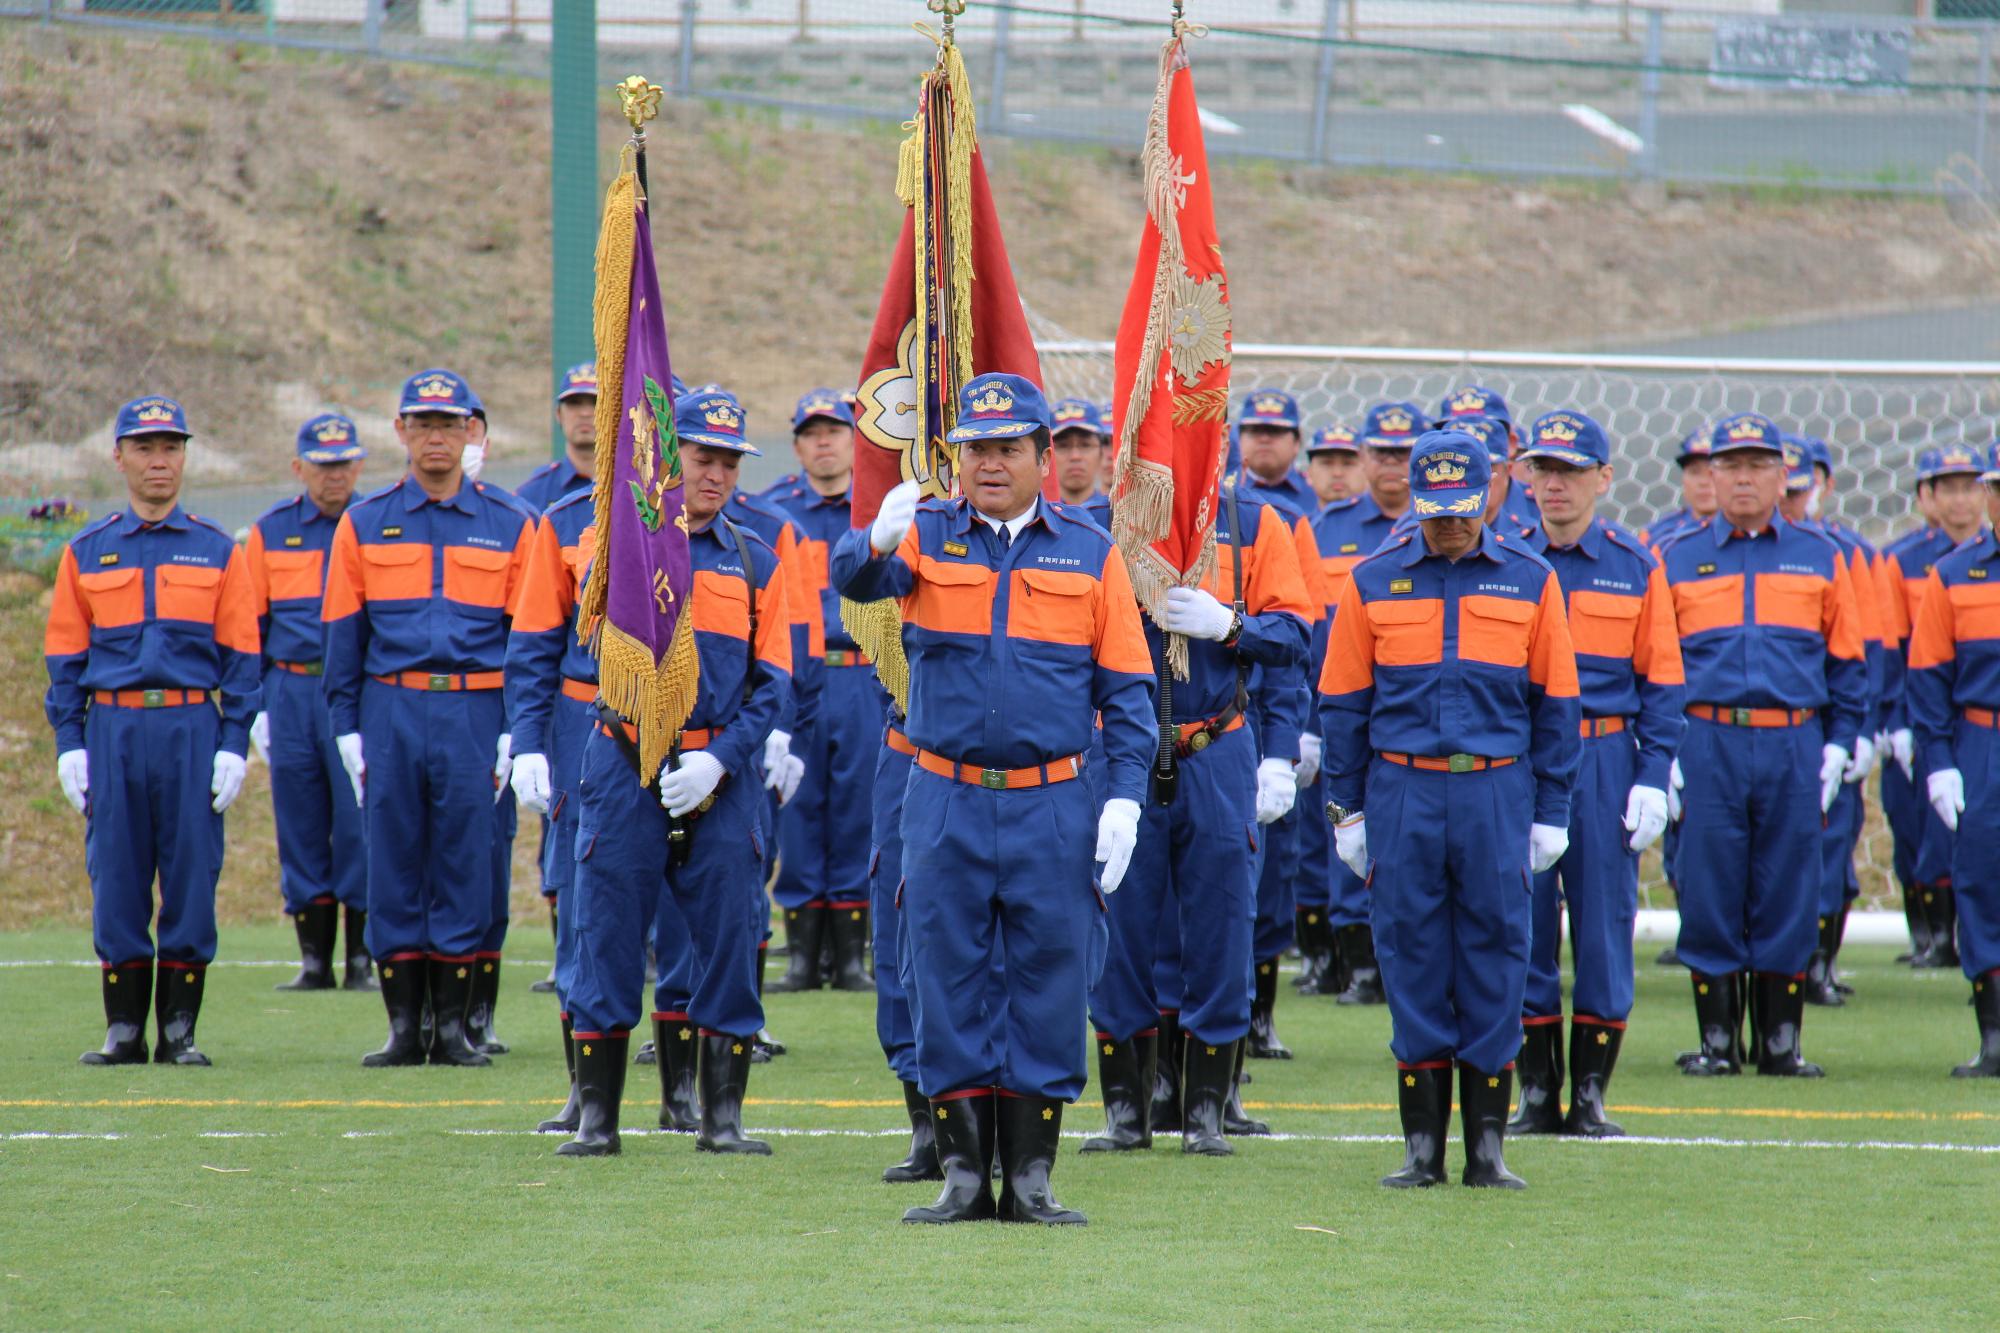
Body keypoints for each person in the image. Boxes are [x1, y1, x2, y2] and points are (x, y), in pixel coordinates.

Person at [833, 372, 1155, 1225]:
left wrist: (1123, 797)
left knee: (1051, 977)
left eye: (1009, 447)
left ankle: (1034, 1177)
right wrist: (873, 539)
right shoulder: (927, 534)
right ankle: (964, 1175)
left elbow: (1127, 690)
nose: (990, 463)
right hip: (942, 795)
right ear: (956, 458)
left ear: (1044, 457)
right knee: (945, 972)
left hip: (1053, 800)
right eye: (975, 448)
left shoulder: (1089, 551)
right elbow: (857, 587)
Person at [1319, 428, 1581, 1189]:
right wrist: (1349, 811)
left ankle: (1488, 1147)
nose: (1452, 525)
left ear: (1490, 497)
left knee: (1500, 951)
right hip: (1402, 790)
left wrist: (1552, 808)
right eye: (1438, 511)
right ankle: (1422, 1147)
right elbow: (1342, 705)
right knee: (1410, 952)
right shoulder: (1370, 581)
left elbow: (1556, 704)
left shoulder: (1531, 579)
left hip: (1496, 789)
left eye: (1465, 509)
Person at [556, 389, 795, 1158]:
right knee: (608, 931)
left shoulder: (760, 557)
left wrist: (720, 760)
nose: (717, 473)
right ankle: (597, 1118)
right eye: (703, 456)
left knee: (729, 936)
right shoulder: (615, 544)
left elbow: (775, 683)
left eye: (730, 461)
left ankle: (720, 1120)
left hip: (719, 775)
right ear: (669, 457)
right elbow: (584, 625)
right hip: (624, 760)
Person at [1088, 454, 1312, 1152]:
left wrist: (1231, 625)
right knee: (1118, 925)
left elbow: (1296, 635)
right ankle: (1128, 1109)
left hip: (1216, 744)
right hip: (1122, 747)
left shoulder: (1252, 524)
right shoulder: (1101, 527)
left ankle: (1209, 1107)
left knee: (1222, 924)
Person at [321, 368, 535, 1069]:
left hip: (476, 706)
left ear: (472, 431)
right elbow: (343, 632)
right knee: (392, 859)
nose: (436, 437)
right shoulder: (364, 520)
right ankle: (403, 1026)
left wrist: (515, 727)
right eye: (423, 424)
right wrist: (346, 724)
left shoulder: (512, 523)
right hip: (392, 704)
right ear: (401, 433)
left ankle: (452, 1027)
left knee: (465, 862)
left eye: (449, 424)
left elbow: (526, 636)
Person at [44, 395, 261, 1066]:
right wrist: (70, 743)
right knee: (117, 875)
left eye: (170, 447)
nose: (158, 460)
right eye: (144, 447)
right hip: (113, 728)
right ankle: (124, 1029)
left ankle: (180, 1030)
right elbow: (64, 658)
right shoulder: (87, 551)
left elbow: (244, 658)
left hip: (192, 724)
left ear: (185, 456)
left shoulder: (218, 550)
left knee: (192, 875)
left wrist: (233, 743)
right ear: (119, 456)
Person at [1658, 413, 1867, 1080]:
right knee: (1710, 885)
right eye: (1730, 464)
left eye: (1758, 465)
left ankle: (1781, 1042)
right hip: (1708, 741)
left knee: (1789, 887)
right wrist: (1661, 752)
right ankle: (1717, 1041)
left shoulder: (1823, 554)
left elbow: (1849, 663)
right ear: (1709, 476)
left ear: (1785, 475)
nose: (1743, 476)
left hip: (1792, 742)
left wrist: (1840, 744)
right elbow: (1658, 666)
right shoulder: (1676, 556)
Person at [1509, 411, 1683, 1137]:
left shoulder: (1635, 563)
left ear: (1604, 479)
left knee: (1605, 924)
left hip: (1605, 756)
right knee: (1521, 924)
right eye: (1544, 469)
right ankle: (1535, 1092)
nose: (1555, 484)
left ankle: (1590, 1095)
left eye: (1572, 471)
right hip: (1518, 761)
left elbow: (1664, 682)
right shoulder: (1504, 560)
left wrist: (1654, 773)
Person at [246, 412, 373, 993]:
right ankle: (314, 960)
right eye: (322, 465)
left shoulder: (375, 525)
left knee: (358, 824)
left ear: (360, 465)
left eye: (344, 463)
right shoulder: (269, 533)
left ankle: (361, 960)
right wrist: (256, 707)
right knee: (299, 820)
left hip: (357, 690)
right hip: (292, 687)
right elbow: (249, 628)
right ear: (300, 468)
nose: (334, 476)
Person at [764, 389, 884, 995]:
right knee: (799, 807)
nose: (825, 442)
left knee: (859, 805)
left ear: (855, 438)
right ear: (796, 447)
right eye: (811, 433)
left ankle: (853, 956)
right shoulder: (773, 513)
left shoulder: (879, 512)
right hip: (799, 676)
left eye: (834, 430)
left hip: (866, 672)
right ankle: (803, 957)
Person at [503, 486, 608, 1132]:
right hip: (583, 721)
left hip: (684, 718)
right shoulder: (566, 520)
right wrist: (527, 741)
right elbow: (535, 640)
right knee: (582, 901)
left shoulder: (710, 518)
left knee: (687, 914)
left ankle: (691, 1092)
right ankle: (584, 1089)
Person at [1906, 439, 2000, 1077]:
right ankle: (1995, 1037)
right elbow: (1928, 677)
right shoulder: (1954, 573)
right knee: (1982, 883)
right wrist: (1938, 760)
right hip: (1982, 741)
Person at [1780, 437, 1884, 1006]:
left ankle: (1819, 964)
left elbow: (1864, 647)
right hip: (1779, 728)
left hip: (1827, 726)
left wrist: (1862, 729)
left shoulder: (1844, 552)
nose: (1794, 503)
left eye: (1802, 490)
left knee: (1833, 845)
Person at [1882, 444, 1987, 970]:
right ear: (1927, 496)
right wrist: (1895, 720)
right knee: (1921, 827)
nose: (1963, 499)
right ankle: (1935, 936)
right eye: (1950, 487)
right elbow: (1898, 650)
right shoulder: (1905, 561)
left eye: (1972, 485)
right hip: (1934, 718)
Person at [1435, 386, 1539, 535]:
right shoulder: (1423, 515)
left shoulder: (1543, 508)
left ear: (1511, 443)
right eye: (1452, 429)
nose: (1469, 432)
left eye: (1484, 426)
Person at [515, 362, 599, 513]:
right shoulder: (532, 494)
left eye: (596, 403)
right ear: (558, 414)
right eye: (574, 403)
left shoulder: (632, 489)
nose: (585, 413)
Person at [1643, 428, 1716, 550]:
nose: (1704, 482)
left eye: (1713, 472)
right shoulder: (1656, 537)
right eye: (1695, 472)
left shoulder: (1754, 533)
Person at [1050, 398, 1111, 528]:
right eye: (1063, 446)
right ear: (1046, 456)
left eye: (1085, 445)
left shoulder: (1116, 517)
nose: (1075, 456)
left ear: (1101, 453)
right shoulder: (1036, 518)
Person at [1305, 423, 1365, 509]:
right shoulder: (1295, 521)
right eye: (1327, 463)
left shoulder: (1389, 522)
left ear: (1368, 471)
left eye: (1348, 463)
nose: (1337, 473)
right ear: (1309, 472)